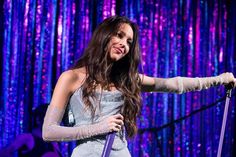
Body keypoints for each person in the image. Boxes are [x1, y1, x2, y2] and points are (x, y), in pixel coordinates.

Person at [42, 16, 236, 157]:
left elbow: (173, 84)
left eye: (129, 42)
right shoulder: (72, 77)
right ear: (104, 36)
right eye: (119, 35)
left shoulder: (127, 80)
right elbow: (48, 132)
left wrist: (219, 79)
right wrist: (98, 127)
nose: (124, 44)